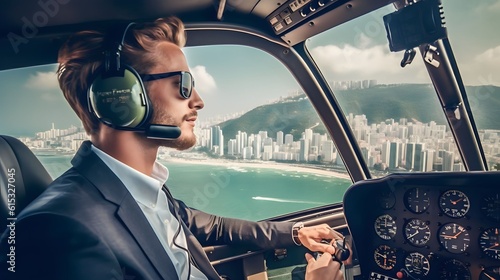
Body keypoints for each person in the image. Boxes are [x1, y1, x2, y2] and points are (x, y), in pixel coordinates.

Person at [0, 17, 345, 280]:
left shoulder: (144, 191)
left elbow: (206, 224)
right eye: (183, 84)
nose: (198, 100)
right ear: (121, 97)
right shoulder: (58, 230)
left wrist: (296, 232)